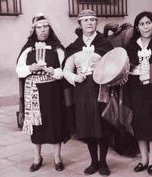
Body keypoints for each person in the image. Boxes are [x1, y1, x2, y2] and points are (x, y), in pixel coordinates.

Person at [16, 13, 69, 172]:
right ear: (34, 30)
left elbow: (64, 70)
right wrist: (29, 68)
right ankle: (37, 157)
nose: (42, 30)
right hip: (34, 92)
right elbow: (19, 70)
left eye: (45, 26)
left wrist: (53, 71)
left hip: (52, 90)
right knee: (36, 125)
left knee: (55, 122)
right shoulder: (28, 49)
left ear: (50, 29)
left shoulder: (57, 48)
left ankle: (57, 157)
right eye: (39, 27)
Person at [63, 9, 114, 176]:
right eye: (86, 20)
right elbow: (66, 70)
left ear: (96, 23)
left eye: (93, 20)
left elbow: (114, 65)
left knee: (103, 124)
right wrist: (74, 77)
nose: (89, 23)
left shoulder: (104, 44)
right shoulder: (74, 47)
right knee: (87, 124)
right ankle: (94, 162)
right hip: (83, 90)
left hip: (101, 88)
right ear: (80, 24)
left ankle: (104, 163)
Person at [125, 11, 152, 175]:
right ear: (137, 27)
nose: (145, 27)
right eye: (142, 24)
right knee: (139, 123)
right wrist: (132, 65)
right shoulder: (130, 46)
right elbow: (125, 66)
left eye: (148, 23)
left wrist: (149, 66)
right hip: (135, 88)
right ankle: (143, 159)